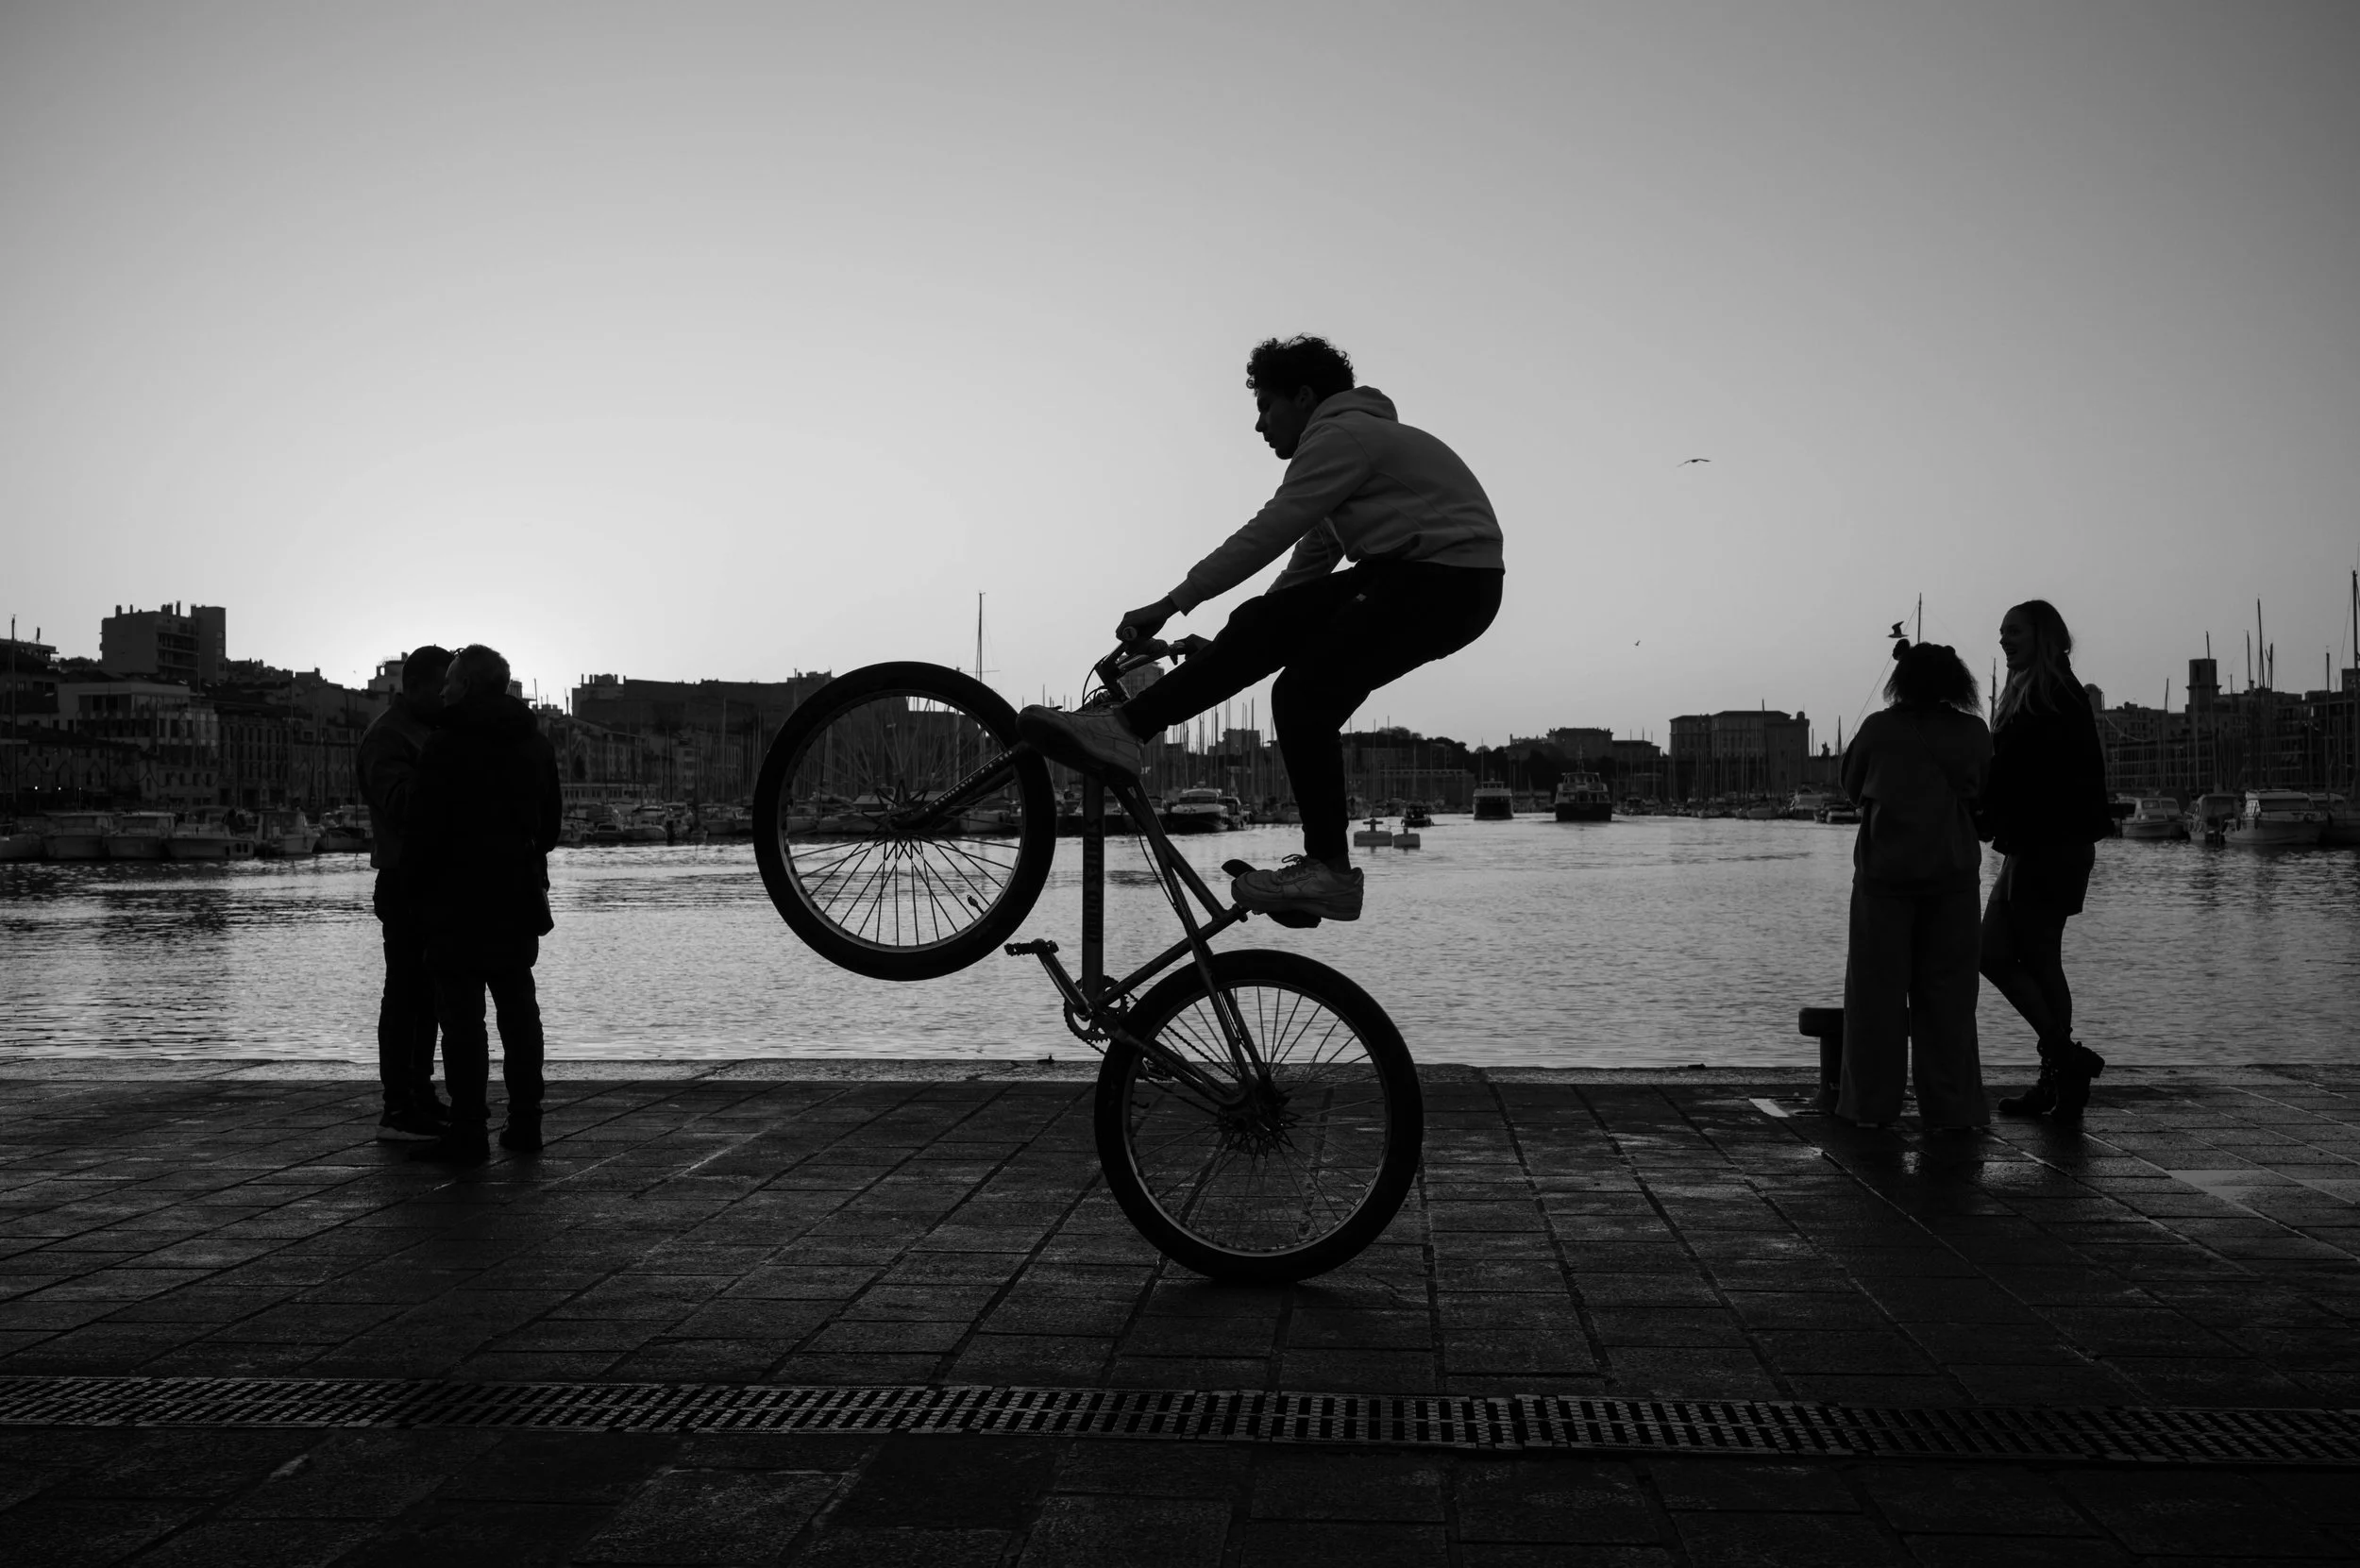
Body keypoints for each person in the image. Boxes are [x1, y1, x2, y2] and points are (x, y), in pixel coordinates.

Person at [1018, 335, 1504, 920]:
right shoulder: (1360, 450)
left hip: (1437, 580)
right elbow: (1304, 572)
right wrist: (1234, 644)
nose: (1258, 426)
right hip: (1449, 585)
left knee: (1299, 688)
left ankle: (1127, 729)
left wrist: (1171, 604)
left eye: (1266, 407)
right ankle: (1329, 873)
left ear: (1304, 397)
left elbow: (1267, 531)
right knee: (1303, 698)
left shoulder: (1340, 437)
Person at [409, 644, 563, 1162]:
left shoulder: (444, 744)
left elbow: (423, 830)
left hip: (456, 899)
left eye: (450, 680)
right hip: (516, 895)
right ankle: (527, 1122)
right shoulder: (534, 744)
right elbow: (551, 830)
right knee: (519, 1011)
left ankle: (469, 1129)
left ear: (468, 685)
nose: (443, 689)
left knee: (462, 1018)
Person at [1837, 640, 1994, 1130]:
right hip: (1952, 878)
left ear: (1901, 682)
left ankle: (1869, 1107)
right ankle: (1953, 1109)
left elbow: (1851, 785)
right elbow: (1986, 791)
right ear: (1956, 682)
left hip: (1885, 878)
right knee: (1949, 1001)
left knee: (1874, 1000)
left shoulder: (1879, 729)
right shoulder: (1973, 732)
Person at [1981, 599, 2113, 1120]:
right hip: (2029, 844)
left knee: (2038, 958)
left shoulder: (2058, 695)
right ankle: (2064, 1061)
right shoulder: (2028, 694)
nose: (2003, 640)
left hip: (2051, 845)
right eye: (2000, 633)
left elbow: (2033, 775)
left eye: (2012, 631)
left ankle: (2059, 1076)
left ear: (2042, 634)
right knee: (1991, 953)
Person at [356, 644, 454, 1138]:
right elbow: (400, 804)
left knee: (427, 998)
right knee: (405, 997)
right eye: (440, 690)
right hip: (405, 878)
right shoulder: (388, 738)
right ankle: (398, 1106)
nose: (446, 700)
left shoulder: (425, 730)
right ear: (412, 688)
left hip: (430, 879)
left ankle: (420, 1092)